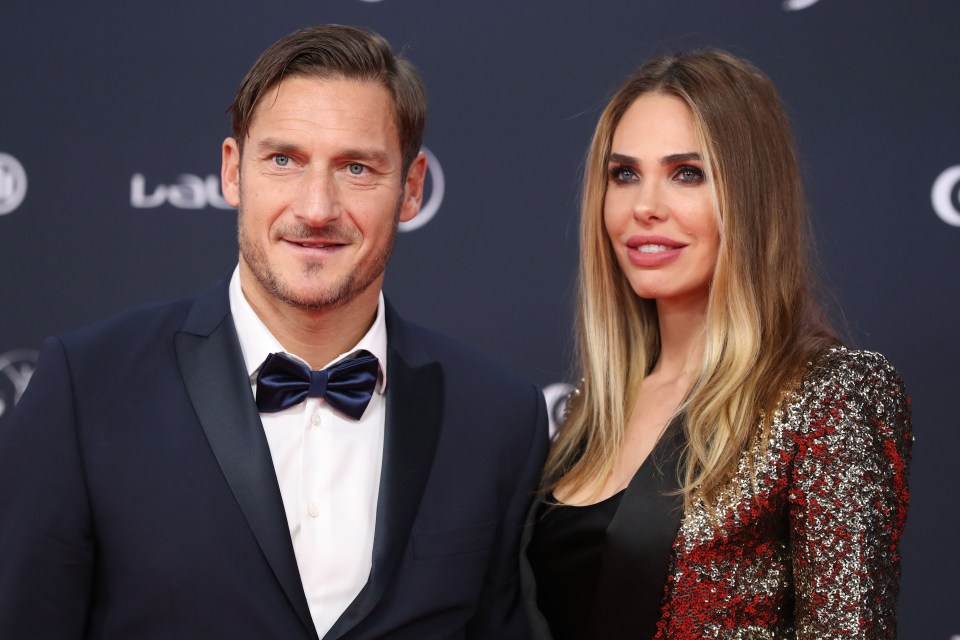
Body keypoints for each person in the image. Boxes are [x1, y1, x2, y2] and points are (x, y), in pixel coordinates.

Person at [0, 24, 548, 639]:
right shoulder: (88, 388)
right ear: (233, 172)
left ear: (412, 187)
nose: (316, 208)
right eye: (283, 160)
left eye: (357, 167)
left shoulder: (497, 417)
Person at [522, 50, 912, 639]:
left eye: (687, 173)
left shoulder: (829, 396)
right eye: (624, 174)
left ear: (750, 196)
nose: (644, 206)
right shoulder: (588, 409)